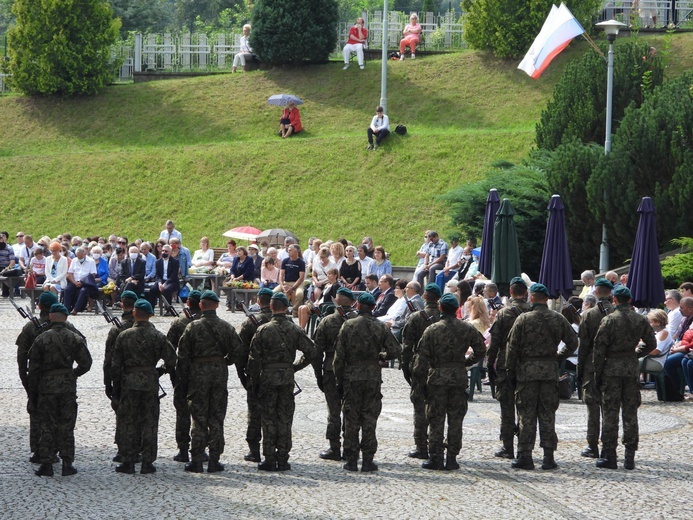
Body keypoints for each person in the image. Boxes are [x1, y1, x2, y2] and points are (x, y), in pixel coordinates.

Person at [505, 283, 578, 470]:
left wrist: (510, 373)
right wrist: (558, 357)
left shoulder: (523, 319)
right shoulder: (558, 318)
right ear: (547, 299)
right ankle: (548, 457)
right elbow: (573, 342)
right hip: (549, 372)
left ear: (531, 297)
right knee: (547, 414)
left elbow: (511, 349)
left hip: (527, 372)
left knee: (526, 414)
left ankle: (525, 456)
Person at [412, 293, 486, 470]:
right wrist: (466, 362)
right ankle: (452, 458)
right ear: (456, 310)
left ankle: (436, 457)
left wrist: (419, 382)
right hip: (458, 378)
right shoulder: (467, 328)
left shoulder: (432, 329)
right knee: (456, 419)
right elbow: (481, 349)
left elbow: (421, 359)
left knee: (436, 418)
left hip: (437, 377)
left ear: (440, 309)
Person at [247, 292, 316, 471]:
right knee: (285, 418)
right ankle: (283, 458)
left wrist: (253, 383)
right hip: (286, 378)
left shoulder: (263, 330)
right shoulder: (295, 329)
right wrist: (295, 367)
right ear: (286, 308)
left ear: (271, 307)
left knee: (268, 418)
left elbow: (253, 360)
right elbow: (312, 351)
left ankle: (269, 458)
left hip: (267, 377)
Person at [334, 292, 401, 472]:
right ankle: (368, 460)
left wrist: (339, 380)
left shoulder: (348, 325)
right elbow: (395, 351)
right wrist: (380, 356)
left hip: (352, 376)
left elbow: (339, 357)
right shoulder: (381, 327)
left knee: (351, 418)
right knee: (369, 418)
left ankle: (351, 460)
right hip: (372, 377)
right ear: (373, 308)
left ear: (358, 306)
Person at [176, 291, 243, 473]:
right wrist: (224, 361)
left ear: (200, 305)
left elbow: (182, 356)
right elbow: (238, 351)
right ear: (217, 305)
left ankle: (196, 460)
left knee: (198, 418)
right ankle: (214, 460)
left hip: (198, 375)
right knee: (216, 416)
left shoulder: (192, 327)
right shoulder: (226, 327)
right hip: (219, 374)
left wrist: (183, 379)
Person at [111, 299, 177, 475]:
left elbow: (115, 366)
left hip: (129, 382)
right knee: (149, 422)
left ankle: (128, 461)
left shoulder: (124, 336)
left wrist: (115, 390)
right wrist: (159, 371)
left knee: (128, 422)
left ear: (134, 314)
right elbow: (172, 359)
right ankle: (147, 462)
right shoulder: (158, 336)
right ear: (150, 315)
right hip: (149, 382)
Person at [593, 286, 656, 470]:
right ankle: (630, 456)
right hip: (630, 368)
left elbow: (599, 350)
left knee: (610, 413)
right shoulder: (640, 319)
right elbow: (651, 342)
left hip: (612, 369)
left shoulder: (609, 320)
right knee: (630, 413)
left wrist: (598, 374)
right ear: (629, 300)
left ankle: (610, 455)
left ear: (615, 300)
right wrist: (635, 355)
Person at [28, 303, 92, 477]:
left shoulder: (41, 339)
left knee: (47, 425)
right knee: (66, 425)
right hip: (67, 387)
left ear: (50, 316)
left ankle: (47, 464)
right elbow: (86, 363)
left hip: (46, 387)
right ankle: (67, 464)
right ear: (65, 317)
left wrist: (32, 393)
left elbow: (33, 369)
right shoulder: (75, 338)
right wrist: (73, 374)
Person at [486, 277, 530, 460]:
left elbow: (494, 342)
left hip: (505, 364)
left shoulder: (504, 314)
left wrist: (490, 364)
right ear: (526, 293)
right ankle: (525, 447)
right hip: (528, 364)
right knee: (526, 408)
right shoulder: (535, 312)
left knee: (507, 407)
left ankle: (507, 446)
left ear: (511, 292)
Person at [312, 287, 358, 461]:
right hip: (352, 371)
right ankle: (350, 447)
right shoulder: (359, 321)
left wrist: (318, 375)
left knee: (333, 411)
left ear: (337, 301)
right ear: (352, 302)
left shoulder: (327, 321)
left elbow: (316, 353)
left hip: (331, 370)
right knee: (351, 410)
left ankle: (334, 447)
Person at [401, 283, 441, 460]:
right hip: (441, 367)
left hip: (421, 367)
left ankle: (421, 446)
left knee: (420, 407)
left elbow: (407, 345)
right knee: (438, 408)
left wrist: (406, 367)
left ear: (424, 296)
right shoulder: (443, 316)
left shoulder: (416, 318)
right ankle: (437, 445)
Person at [577, 278, 615, 458]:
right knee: (611, 408)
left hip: (592, 365)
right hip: (614, 365)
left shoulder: (589, 315)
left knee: (593, 408)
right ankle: (609, 447)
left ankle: (593, 446)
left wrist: (580, 368)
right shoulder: (619, 313)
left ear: (597, 291)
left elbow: (583, 345)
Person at [237, 288, 275, 463]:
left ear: (258, 302)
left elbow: (240, 352)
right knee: (277, 413)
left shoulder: (250, 323)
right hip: (278, 374)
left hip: (256, 374)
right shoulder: (284, 322)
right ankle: (276, 451)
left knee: (255, 414)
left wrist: (242, 375)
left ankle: (255, 451)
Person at [166, 290, 202, 462]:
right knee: (204, 412)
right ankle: (201, 449)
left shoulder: (179, 322)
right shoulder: (210, 322)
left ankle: (183, 450)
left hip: (183, 372)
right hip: (205, 372)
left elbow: (168, 350)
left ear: (188, 302)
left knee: (182, 411)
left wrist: (171, 371)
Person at [103, 291, 138, 463]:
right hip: (144, 378)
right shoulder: (147, 327)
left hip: (123, 378)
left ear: (122, 304)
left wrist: (107, 383)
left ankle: (123, 451)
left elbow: (108, 359)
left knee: (123, 416)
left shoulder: (116, 329)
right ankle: (140, 451)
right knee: (143, 416)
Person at [63, 247, 98, 314]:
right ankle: (66, 309)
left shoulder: (91, 261)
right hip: (74, 281)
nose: (79, 258)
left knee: (83, 291)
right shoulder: (74, 260)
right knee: (67, 290)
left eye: (81, 257)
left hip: (85, 282)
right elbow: (70, 273)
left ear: (85, 254)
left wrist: (82, 282)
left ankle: (76, 309)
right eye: (78, 256)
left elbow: (93, 274)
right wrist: (74, 282)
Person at [275, 244, 306, 317]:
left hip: (297, 283)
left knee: (299, 294)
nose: (288, 251)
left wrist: (292, 288)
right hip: (286, 283)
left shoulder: (301, 262)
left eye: (290, 250)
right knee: (274, 292)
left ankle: (294, 310)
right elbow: (281, 275)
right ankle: (279, 310)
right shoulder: (285, 261)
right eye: (288, 250)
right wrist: (282, 286)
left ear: (296, 251)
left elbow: (301, 277)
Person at [146, 244, 180, 310]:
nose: (164, 252)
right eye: (163, 251)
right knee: (152, 289)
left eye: (166, 251)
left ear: (170, 252)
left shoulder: (175, 262)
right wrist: (159, 283)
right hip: (161, 281)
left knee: (166, 289)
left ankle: (168, 309)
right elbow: (157, 275)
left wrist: (165, 284)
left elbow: (173, 276)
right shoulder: (158, 262)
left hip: (172, 282)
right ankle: (151, 309)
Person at [640, 309, 673, 373]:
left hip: (656, 362)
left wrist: (639, 350)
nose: (649, 324)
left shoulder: (663, 333)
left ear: (658, 322)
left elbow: (656, 351)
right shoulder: (659, 332)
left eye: (651, 322)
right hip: (650, 359)